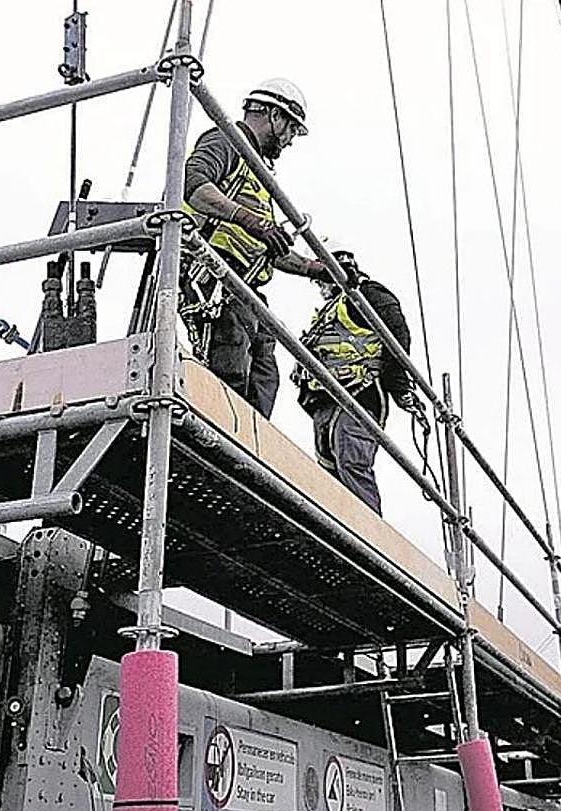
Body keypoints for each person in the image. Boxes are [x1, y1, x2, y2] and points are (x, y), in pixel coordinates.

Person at [181, 77, 321, 418]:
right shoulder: (228, 141)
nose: (289, 141)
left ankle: (249, 445)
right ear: (274, 115)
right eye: (290, 128)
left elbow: (265, 245)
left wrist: (313, 268)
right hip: (213, 273)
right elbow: (193, 184)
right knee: (231, 363)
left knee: (263, 374)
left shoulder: (257, 172)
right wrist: (251, 220)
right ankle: (222, 433)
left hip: (244, 284)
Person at [294, 243, 428, 514]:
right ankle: (338, 532)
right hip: (325, 399)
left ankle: (368, 534)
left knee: (352, 464)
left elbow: (396, 338)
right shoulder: (334, 307)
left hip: (360, 393)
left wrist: (400, 388)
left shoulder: (366, 295)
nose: (319, 286)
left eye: (321, 277)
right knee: (329, 473)